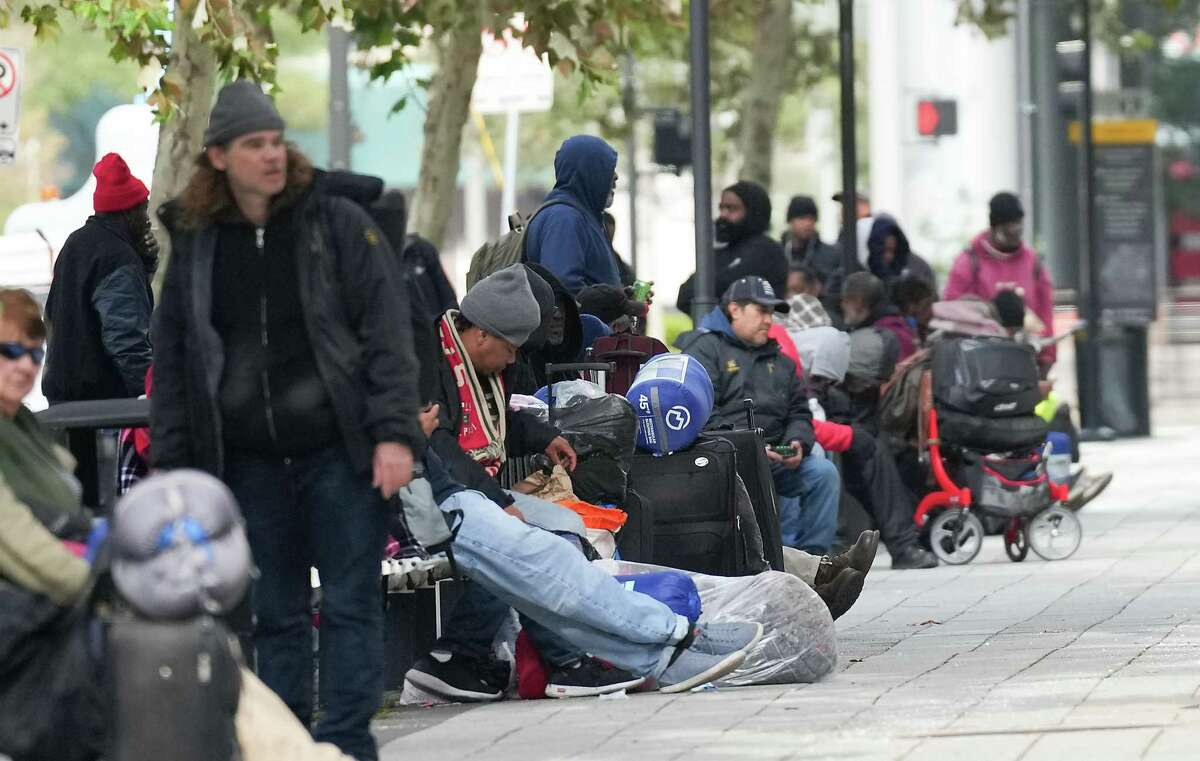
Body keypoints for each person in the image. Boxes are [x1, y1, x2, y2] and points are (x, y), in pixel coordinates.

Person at [151, 80, 422, 761]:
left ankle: (349, 743)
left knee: (353, 605)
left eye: (276, 141)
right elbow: (178, 359)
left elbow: (387, 330)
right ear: (218, 157)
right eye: (254, 145)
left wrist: (394, 433)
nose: (271, 155)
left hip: (340, 451)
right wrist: (178, 471)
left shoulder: (334, 219)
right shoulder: (198, 242)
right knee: (275, 618)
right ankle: (291, 747)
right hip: (247, 464)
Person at [0, 289, 358, 761]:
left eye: (33, 351)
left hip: (55, 611)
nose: (24, 364)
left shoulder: (23, 430)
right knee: (178, 648)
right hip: (29, 626)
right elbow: (18, 540)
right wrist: (108, 583)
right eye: (9, 350)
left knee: (202, 644)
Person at [677, 277, 841, 555]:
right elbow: (699, 412)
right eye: (761, 311)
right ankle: (773, 560)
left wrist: (797, 443)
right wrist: (750, 447)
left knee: (823, 473)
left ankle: (816, 562)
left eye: (771, 312)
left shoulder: (780, 359)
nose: (769, 320)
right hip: (726, 459)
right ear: (735, 310)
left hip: (776, 457)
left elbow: (799, 412)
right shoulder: (705, 348)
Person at [42, 152, 156, 506]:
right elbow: (125, 338)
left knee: (83, 505)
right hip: (106, 410)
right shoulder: (115, 257)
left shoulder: (78, 244)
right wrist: (149, 395)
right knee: (111, 509)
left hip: (64, 403)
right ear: (130, 210)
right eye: (143, 208)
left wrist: (144, 264)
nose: (147, 217)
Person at [803, 327, 938, 569]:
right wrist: (848, 435)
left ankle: (904, 541)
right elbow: (804, 424)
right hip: (797, 438)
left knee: (872, 447)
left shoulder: (842, 372)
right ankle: (899, 542)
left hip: (817, 428)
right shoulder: (812, 369)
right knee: (852, 453)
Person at [944, 192, 1056, 369]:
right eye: (1009, 225)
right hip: (980, 363)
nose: (1015, 230)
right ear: (995, 227)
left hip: (1027, 358)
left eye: (1018, 223)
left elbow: (1046, 312)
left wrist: (1047, 356)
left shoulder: (1032, 263)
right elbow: (951, 311)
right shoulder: (969, 262)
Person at [525, 135, 622, 293]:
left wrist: (621, 298)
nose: (616, 176)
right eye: (607, 168)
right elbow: (565, 291)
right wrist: (617, 303)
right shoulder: (564, 218)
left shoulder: (581, 215)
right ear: (587, 172)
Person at [676, 181, 788, 317]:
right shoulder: (723, 252)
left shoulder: (766, 250)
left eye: (732, 209)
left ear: (753, 211)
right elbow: (685, 297)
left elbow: (724, 285)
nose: (723, 215)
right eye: (721, 208)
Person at [841, 272, 901, 432]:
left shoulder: (873, 337)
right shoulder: (892, 328)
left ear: (858, 302)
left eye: (845, 300)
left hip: (863, 424)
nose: (842, 306)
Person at [865, 214, 937, 295]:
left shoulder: (918, 268)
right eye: (882, 251)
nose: (888, 256)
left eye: (893, 251)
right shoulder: (868, 272)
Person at [782, 195, 840, 283]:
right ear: (790, 220)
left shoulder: (831, 254)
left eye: (811, 219)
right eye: (802, 218)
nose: (807, 223)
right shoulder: (778, 252)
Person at [601, 210, 637, 287]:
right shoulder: (592, 256)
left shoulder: (617, 260)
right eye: (607, 234)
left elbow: (629, 279)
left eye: (611, 235)